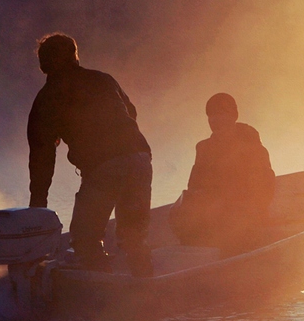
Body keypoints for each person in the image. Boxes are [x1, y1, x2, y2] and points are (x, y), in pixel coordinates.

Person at [27, 33, 153, 277]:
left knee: (85, 239)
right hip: (139, 157)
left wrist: (38, 206)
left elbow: (41, 156)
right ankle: (146, 286)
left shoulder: (46, 99)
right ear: (75, 57)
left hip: (104, 166)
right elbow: (131, 112)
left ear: (43, 65)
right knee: (134, 237)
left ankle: (99, 288)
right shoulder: (103, 79)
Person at [169, 93, 275, 256]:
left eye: (221, 113)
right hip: (215, 216)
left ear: (234, 116)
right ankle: (197, 251)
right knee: (178, 212)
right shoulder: (203, 148)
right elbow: (194, 187)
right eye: (211, 115)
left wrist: (227, 204)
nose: (215, 120)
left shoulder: (252, 147)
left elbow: (263, 192)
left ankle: (235, 251)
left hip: (245, 218)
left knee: (231, 219)